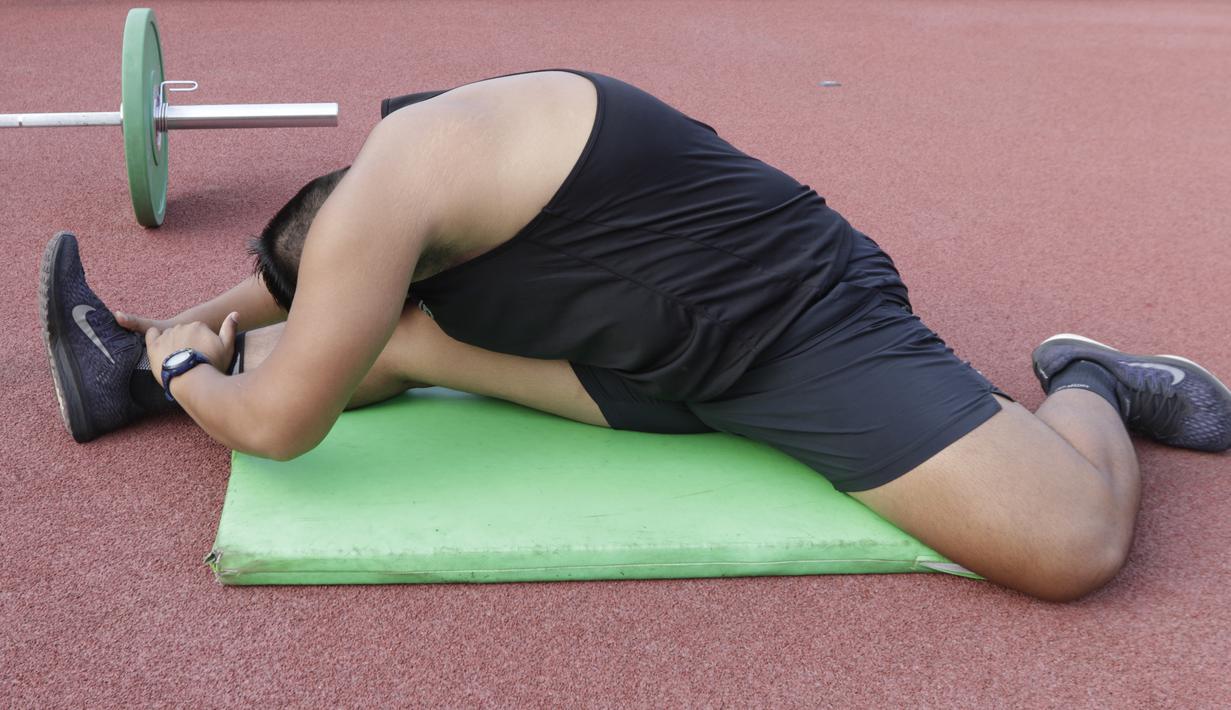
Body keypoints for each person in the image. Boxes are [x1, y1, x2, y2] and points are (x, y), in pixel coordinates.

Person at [39, 69, 1230, 602]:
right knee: (394, 338)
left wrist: (189, 364)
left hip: (797, 324)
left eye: (336, 299)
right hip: (650, 345)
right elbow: (297, 275)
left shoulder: (407, 184)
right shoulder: (382, 201)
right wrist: (183, 323)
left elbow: (281, 426)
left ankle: (1091, 380)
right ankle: (125, 364)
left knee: (1070, 546)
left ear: (365, 247)